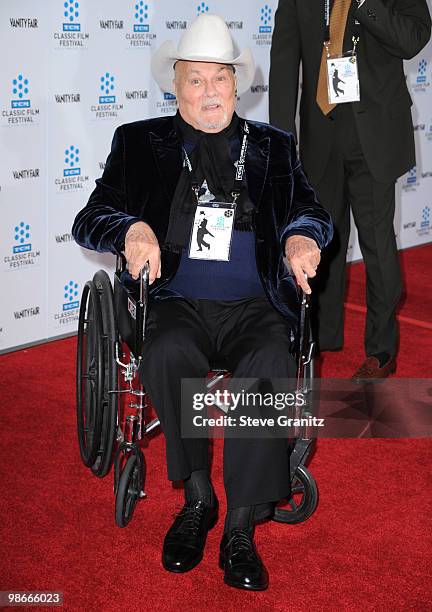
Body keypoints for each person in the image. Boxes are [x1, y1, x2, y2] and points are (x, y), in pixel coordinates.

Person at [72, 14, 332, 591]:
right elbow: (89, 219)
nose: (210, 91)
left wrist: (301, 236)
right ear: (175, 85)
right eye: (196, 80)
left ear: (238, 84)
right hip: (176, 302)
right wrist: (131, 229)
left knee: (268, 360)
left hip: (255, 306)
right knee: (164, 352)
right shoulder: (138, 143)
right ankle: (197, 500)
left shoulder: (275, 147)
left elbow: (312, 213)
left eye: (221, 78)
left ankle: (240, 526)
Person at [269, 0, 431, 382]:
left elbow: (412, 39)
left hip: (374, 133)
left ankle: (381, 349)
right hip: (320, 133)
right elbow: (285, 57)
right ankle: (320, 338)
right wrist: (280, 140)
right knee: (321, 242)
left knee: (376, 243)